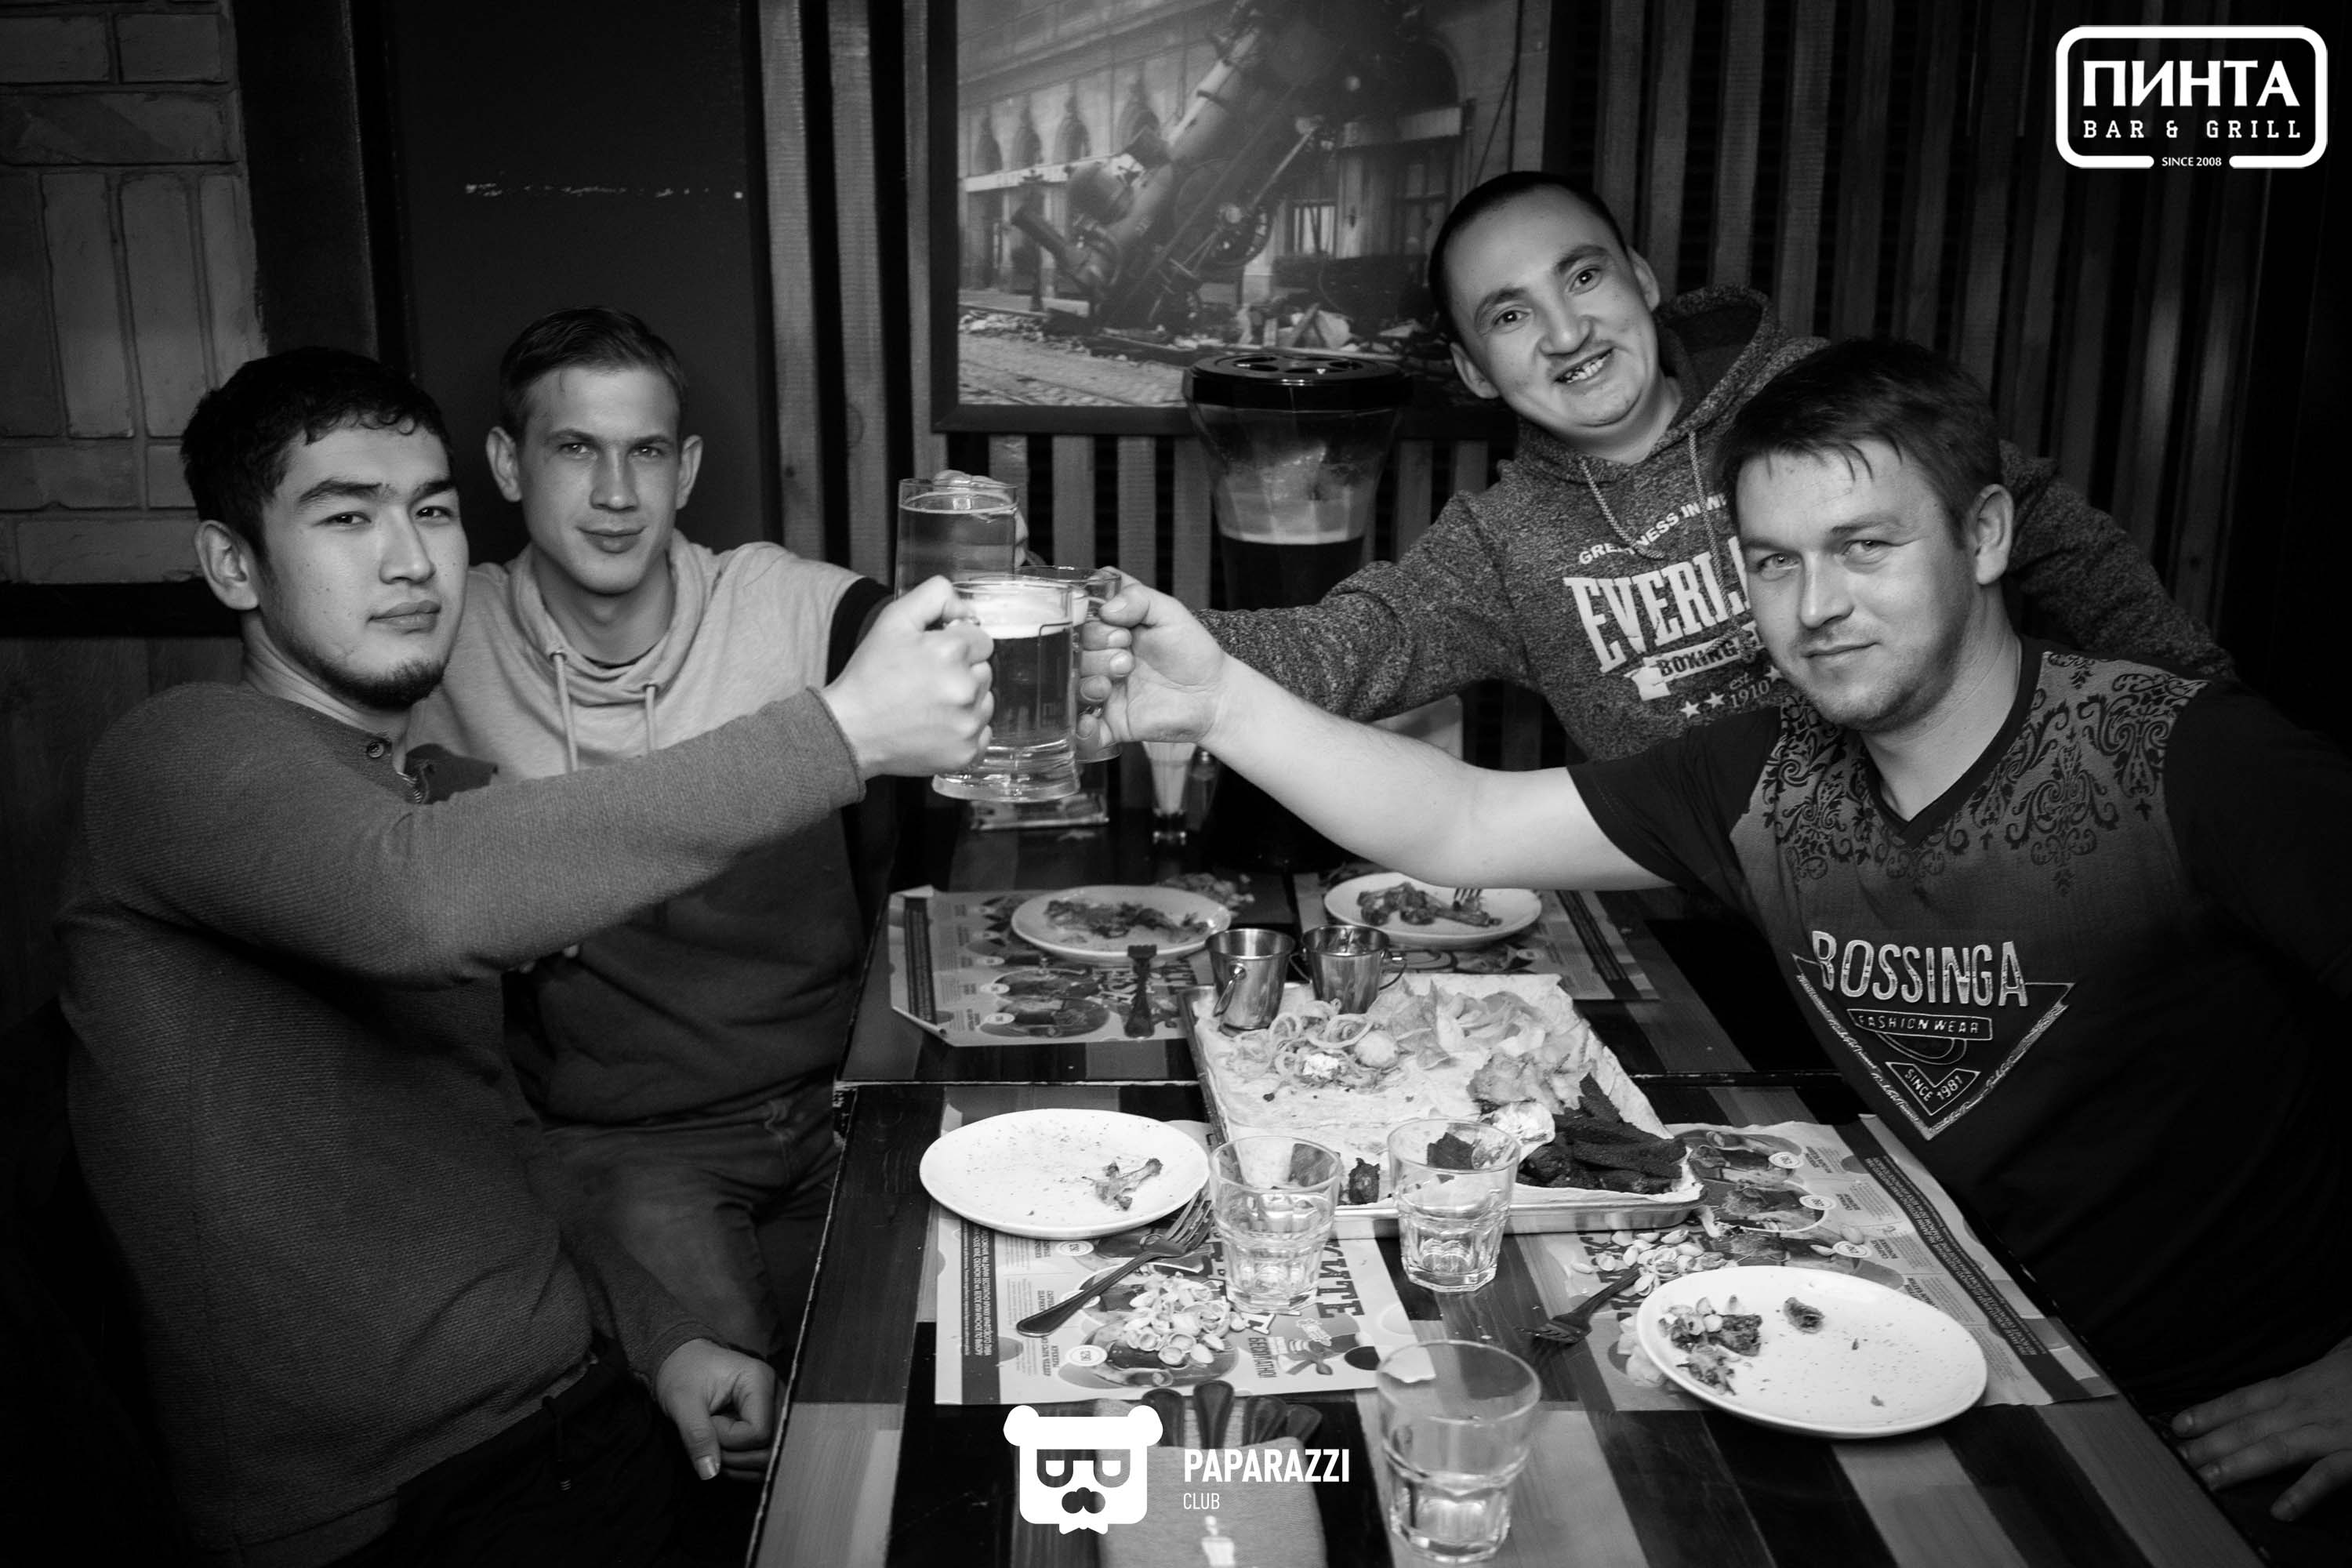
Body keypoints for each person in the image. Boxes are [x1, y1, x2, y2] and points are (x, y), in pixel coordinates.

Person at [1088, 339, 2350, 1531]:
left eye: (1865, 547)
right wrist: (1216, 703)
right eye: (1773, 563)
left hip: (2203, 1414)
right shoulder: (1765, 772)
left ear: (1984, 536)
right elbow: (1465, 822)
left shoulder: (2192, 759)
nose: (1818, 605)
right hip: (1915, 1346)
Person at [56, 347, 991, 1564]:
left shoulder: (400, 785)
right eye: (347, 517)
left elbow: (494, 1141)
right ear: (234, 563)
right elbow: (418, 900)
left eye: (432, 512)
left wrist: (662, 1339)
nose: (410, 560)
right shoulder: (172, 757)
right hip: (398, 1511)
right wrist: (843, 732)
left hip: (574, 1421)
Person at [1198, 170, 2232, 760]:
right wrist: (1136, 630)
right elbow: (1342, 648)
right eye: (1510, 316)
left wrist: (2209, 718)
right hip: (1711, 935)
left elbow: (2048, 533)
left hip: (1962, 888)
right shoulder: (1500, 547)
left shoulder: (1812, 397)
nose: (1567, 333)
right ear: (1472, 369)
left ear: (1642, 279)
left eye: (1584, 277)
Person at [408, 307, 887, 1367]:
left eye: (648, 453)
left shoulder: (785, 607)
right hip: (629, 1143)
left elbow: (951, 650)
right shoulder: (431, 641)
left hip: (843, 1099)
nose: (618, 494)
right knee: (739, 1411)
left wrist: (1003, 593)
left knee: (917, 1371)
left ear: (688, 468)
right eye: (577, 449)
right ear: (509, 464)